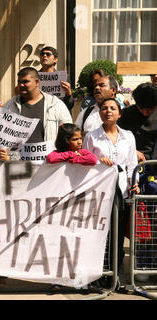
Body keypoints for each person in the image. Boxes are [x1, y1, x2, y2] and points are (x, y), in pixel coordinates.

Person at [82, 98, 140, 279]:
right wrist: (99, 162)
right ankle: (100, 275)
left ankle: (118, 274)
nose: (108, 111)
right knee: (101, 235)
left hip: (121, 191)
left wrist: (134, 183)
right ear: (100, 113)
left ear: (119, 113)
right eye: (104, 108)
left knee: (118, 234)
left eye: (112, 108)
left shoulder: (128, 136)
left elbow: (132, 163)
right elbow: (84, 162)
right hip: (99, 191)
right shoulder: (91, 136)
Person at [1, 67, 72, 145]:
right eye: (19, 82)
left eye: (25, 82)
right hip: (17, 156)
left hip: (49, 156)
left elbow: (68, 133)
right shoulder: (9, 106)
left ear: (37, 82)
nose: (21, 85)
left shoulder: (55, 104)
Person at [117, 82, 157, 162]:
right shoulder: (124, 115)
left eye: (149, 109)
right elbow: (113, 138)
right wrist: (131, 151)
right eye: (141, 108)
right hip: (130, 162)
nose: (145, 112)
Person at [38, 46, 74, 111]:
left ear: (55, 59)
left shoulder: (63, 77)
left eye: (48, 54)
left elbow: (70, 105)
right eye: (42, 54)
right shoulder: (34, 77)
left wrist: (69, 94)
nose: (44, 56)